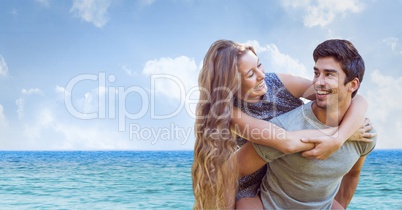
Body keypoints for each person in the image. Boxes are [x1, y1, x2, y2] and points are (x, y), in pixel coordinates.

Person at [191, 40, 374, 209]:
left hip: (289, 169)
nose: (261, 75)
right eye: (250, 74)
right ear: (231, 84)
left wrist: (341, 136)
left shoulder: (278, 83)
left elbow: (354, 98)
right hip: (253, 176)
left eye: (259, 65)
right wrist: (339, 136)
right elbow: (287, 142)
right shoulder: (233, 113)